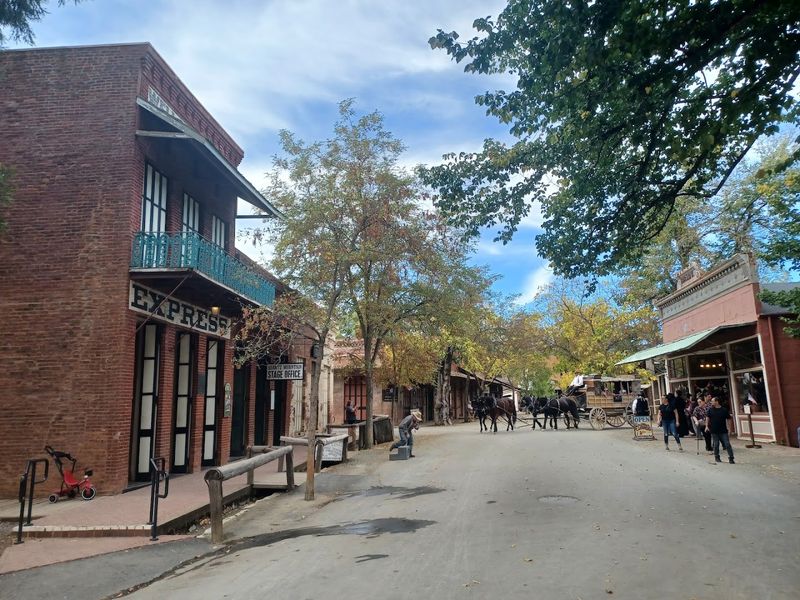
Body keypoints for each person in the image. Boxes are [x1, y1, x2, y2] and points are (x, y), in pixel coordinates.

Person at [706, 397, 735, 464]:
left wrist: (730, 429)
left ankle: (731, 458)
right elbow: (707, 418)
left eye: (712, 401)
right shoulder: (710, 410)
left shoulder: (724, 410)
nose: (711, 402)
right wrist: (706, 426)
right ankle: (717, 457)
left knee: (727, 444)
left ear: (717, 402)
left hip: (723, 430)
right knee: (716, 444)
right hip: (714, 430)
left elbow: (729, 419)